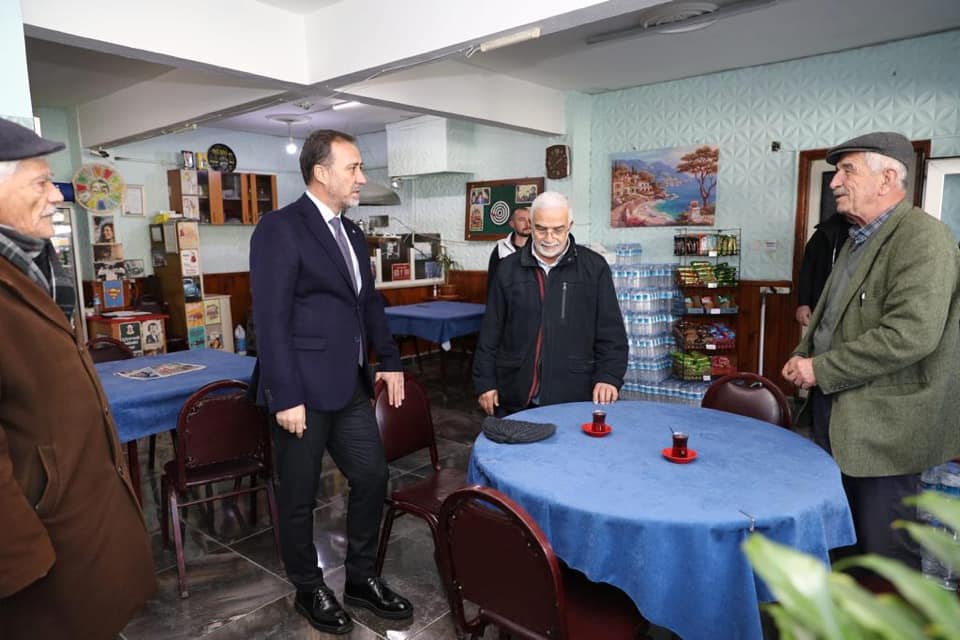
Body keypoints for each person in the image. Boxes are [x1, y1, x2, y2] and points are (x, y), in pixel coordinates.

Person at [250, 129, 412, 634]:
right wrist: (285, 395)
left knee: (372, 477)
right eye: (353, 167)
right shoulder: (280, 228)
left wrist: (390, 360)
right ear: (321, 173)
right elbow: (270, 320)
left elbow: (369, 304)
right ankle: (308, 586)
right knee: (298, 496)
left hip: (349, 387)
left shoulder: (353, 233)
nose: (362, 177)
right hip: (300, 392)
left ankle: (361, 579)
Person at [0, 119, 155, 637]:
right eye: (40, 182)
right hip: (37, 535)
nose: (55, 196)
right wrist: (18, 560)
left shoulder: (38, 267)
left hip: (77, 512)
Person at [782, 131, 960, 567]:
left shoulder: (923, 238)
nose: (834, 182)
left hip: (883, 430)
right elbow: (831, 317)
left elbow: (910, 335)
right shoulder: (856, 239)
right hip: (835, 411)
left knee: (884, 551)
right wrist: (803, 353)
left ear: (887, 179)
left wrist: (820, 369)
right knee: (839, 538)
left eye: (847, 170)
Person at [473, 191, 628, 417]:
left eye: (558, 229)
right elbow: (491, 330)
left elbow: (611, 332)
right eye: (541, 229)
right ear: (530, 225)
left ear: (570, 226)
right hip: (516, 392)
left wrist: (609, 377)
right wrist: (485, 381)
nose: (549, 237)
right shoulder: (508, 268)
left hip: (574, 393)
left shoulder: (594, 268)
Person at [795, 214, 852, 326]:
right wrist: (803, 303)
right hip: (827, 305)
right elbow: (807, 270)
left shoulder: (875, 232)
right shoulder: (825, 232)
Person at [486, 206, 531, 286]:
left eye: (530, 220)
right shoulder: (501, 248)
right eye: (522, 220)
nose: (527, 224)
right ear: (512, 224)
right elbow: (492, 280)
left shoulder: (539, 248)